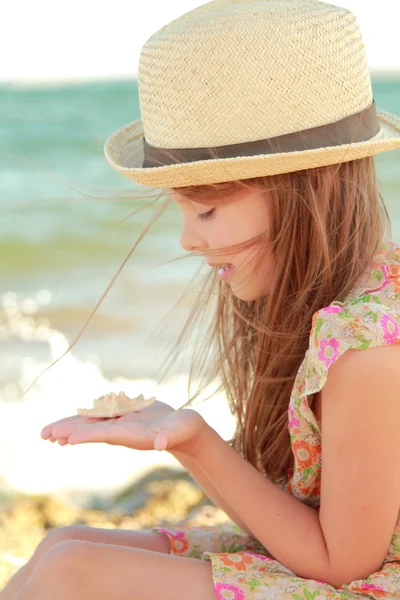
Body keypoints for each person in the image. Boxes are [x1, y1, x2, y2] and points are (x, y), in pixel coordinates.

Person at [2, 0, 400, 598]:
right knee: (64, 546)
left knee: (73, 574)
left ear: (301, 191)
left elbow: (345, 564)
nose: (189, 239)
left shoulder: (367, 347)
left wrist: (195, 443)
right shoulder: (337, 294)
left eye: (207, 210)